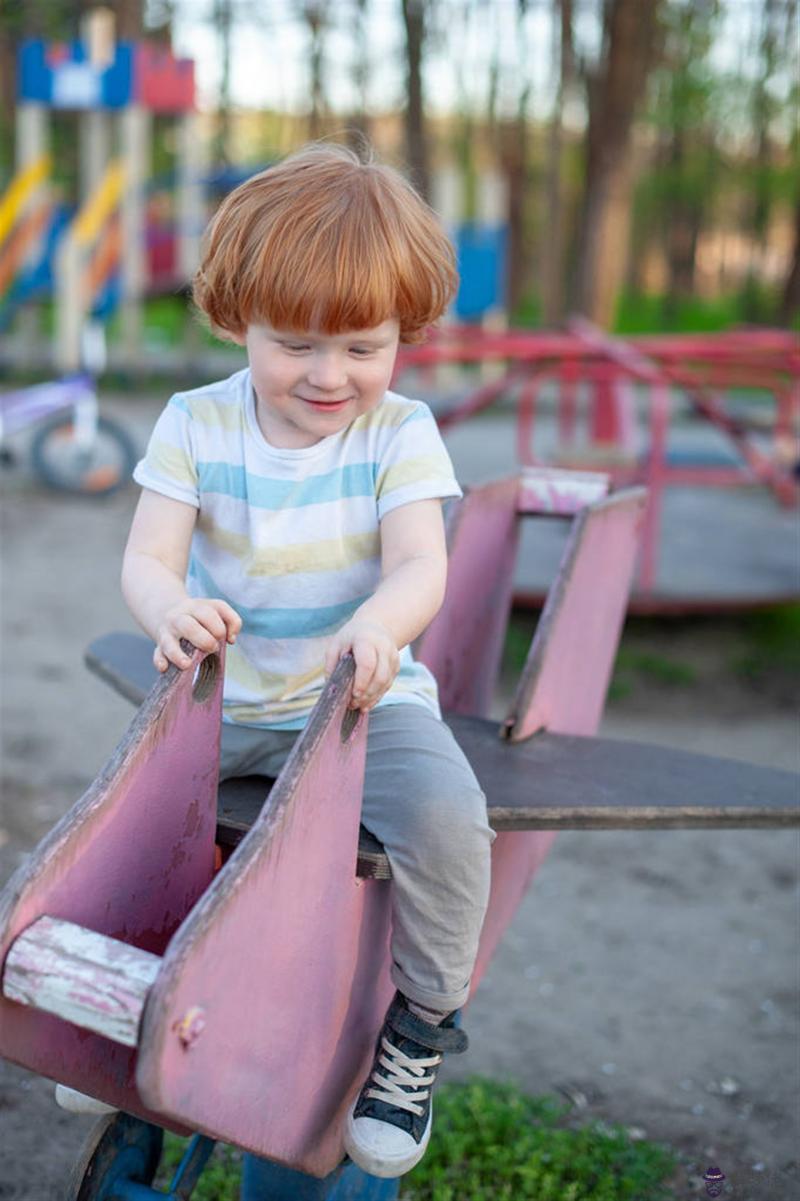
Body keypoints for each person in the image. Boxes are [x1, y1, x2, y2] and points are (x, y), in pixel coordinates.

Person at [121, 141, 495, 1180]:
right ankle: (130, 992)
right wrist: (172, 607)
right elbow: (149, 555)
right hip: (225, 701)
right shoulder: (196, 423)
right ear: (233, 316)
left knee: (452, 828)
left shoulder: (398, 433)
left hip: (363, 704)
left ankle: (418, 1030)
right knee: (138, 816)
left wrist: (379, 625)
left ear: (403, 337)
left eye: (363, 348)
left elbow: (422, 561)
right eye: (293, 345)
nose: (328, 376)